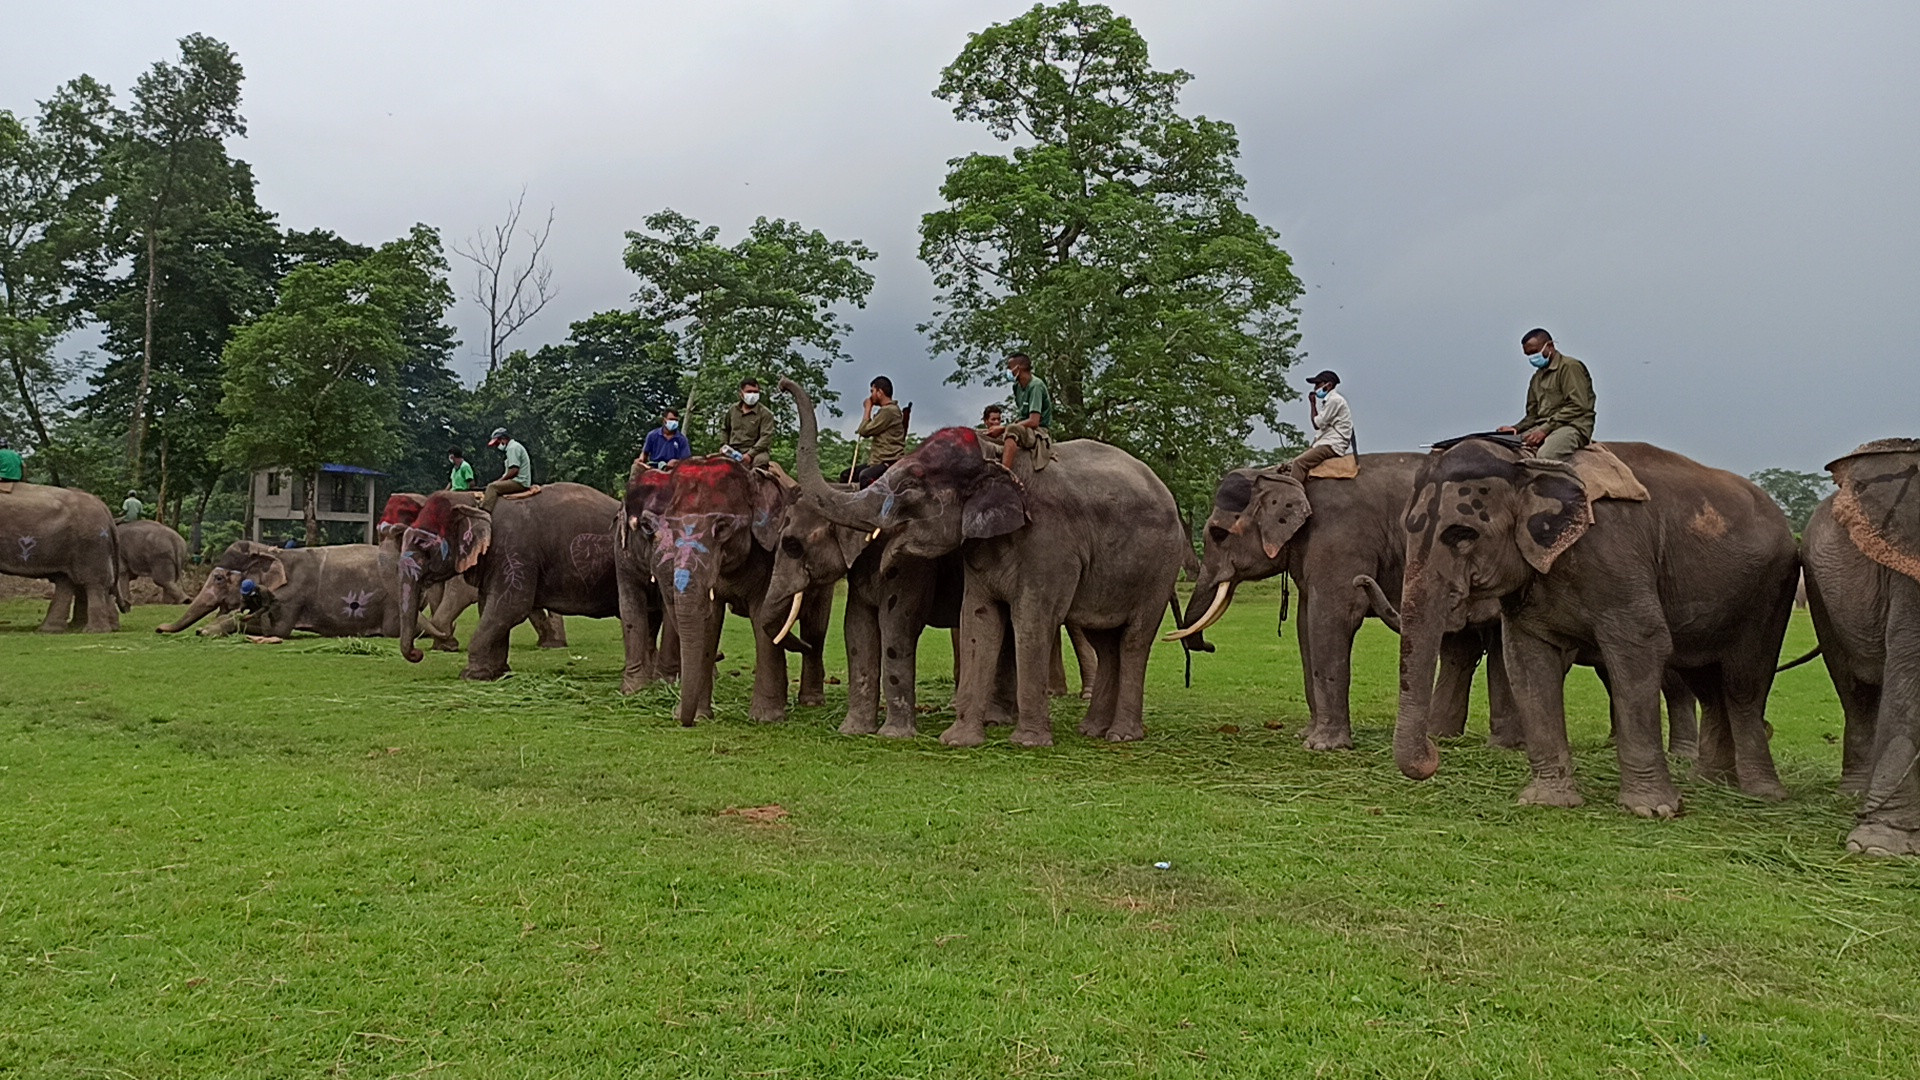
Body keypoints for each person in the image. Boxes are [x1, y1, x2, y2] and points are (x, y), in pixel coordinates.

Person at [1498, 328, 1595, 462]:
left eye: (1534, 352)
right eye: (1528, 355)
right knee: (1504, 445)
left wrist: (1544, 430)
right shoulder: (1536, 378)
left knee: (1546, 455)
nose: (1532, 358)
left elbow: (1578, 406)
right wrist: (1515, 428)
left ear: (1549, 346)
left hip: (1573, 426)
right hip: (1542, 425)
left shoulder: (1570, 367)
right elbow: (1532, 415)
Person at [985, 352, 1052, 472]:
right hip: (1025, 427)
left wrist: (1003, 428)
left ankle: (1005, 472)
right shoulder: (1017, 387)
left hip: (1037, 431)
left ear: (1018, 368)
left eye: (1010, 367)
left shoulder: (1035, 386)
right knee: (983, 433)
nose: (1008, 371)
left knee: (1012, 429)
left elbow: (1034, 421)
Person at [1288, 370, 1354, 483]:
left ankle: (1291, 494)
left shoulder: (1335, 401)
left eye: (1318, 384)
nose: (1315, 388)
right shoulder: (1329, 401)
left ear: (1328, 385)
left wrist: (1312, 404)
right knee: (1290, 464)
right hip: (1326, 441)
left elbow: (1317, 424)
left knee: (1299, 463)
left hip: (1332, 444)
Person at [852, 376, 906, 487]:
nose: (871, 395)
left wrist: (867, 409)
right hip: (877, 462)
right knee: (847, 474)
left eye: (872, 391)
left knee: (865, 476)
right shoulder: (886, 411)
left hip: (888, 461)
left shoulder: (889, 411)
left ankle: (867, 504)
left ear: (879, 392)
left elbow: (864, 431)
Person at [720, 379, 774, 468]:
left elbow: (766, 437)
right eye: (749, 392)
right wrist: (723, 445)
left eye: (755, 392)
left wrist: (750, 454)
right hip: (733, 449)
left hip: (756, 451)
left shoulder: (765, 413)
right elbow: (725, 429)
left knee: (760, 462)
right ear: (741, 393)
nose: (752, 395)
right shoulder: (733, 409)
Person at [482, 427, 533, 512]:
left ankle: (485, 511)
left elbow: (514, 471)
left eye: (497, 443)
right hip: (517, 480)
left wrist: (499, 481)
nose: (497, 446)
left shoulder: (513, 448)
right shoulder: (512, 447)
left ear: (503, 439)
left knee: (492, 487)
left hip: (519, 481)